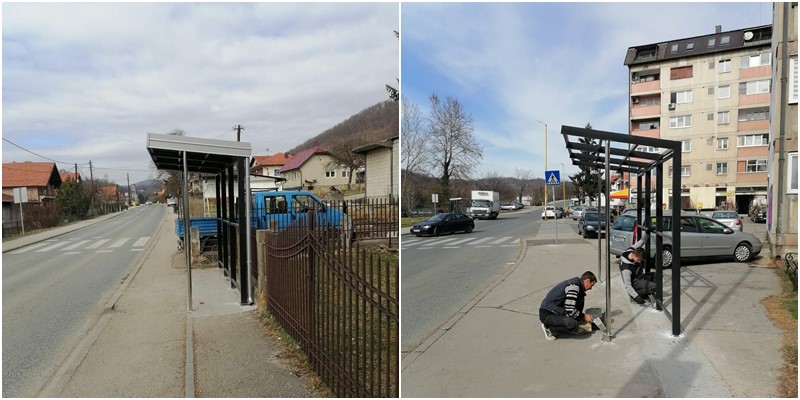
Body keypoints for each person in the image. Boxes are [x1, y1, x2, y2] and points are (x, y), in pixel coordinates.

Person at [539, 271, 597, 340]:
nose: (591, 288)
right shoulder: (574, 287)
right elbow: (570, 309)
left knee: (581, 297)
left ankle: (576, 321)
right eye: (591, 285)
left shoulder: (578, 286)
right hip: (547, 314)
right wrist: (583, 316)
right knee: (572, 324)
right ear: (587, 281)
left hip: (557, 310)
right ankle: (550, 329)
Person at [619, 229, 656, 304]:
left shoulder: (631, 250)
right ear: (634, 255)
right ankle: (638, 294)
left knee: (658, 276)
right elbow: (627, 286)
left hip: (641, 276)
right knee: (655, 286)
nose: (639, 262)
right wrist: (636, 297)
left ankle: (647, 289)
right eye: (638, 260)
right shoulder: (626, 269)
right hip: (635, 283)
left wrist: (647, 233)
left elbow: (641, 241)